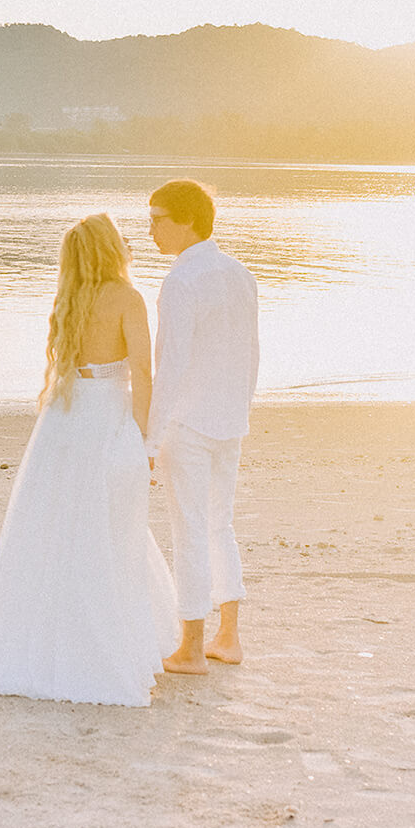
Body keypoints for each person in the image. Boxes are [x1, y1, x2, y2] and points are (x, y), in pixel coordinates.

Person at [0, 213, 178, 706]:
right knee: (109, 528)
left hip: (63, 420)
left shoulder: (69, 297)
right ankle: (104, 643)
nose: (131, 241)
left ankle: (35, 643)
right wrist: (146, 438)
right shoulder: (128, 298)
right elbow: (144, 372)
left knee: (54, 527)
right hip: (106, 418)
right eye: (123, 238)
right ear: (110, 249)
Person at [146, 179, 259, 675]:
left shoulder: (182, 280)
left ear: (188, 219)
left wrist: (150, 435)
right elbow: (250, 353)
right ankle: (227, 638)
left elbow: (170, 365)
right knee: (219, 525)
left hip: (187, 423)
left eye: (157, 218)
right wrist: (242, 408)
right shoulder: (240, 273)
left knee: (189, 530)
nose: (150, 230)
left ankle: (191, 648)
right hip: (230, 419)